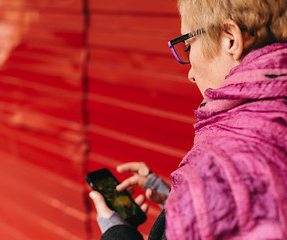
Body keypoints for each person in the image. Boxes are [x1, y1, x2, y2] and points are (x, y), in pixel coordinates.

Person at [89, 0, 287, 239]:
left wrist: (117, 232)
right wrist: (181, 203)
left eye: (188, 46)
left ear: (230, 39)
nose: (191, 74)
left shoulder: (222, 168)